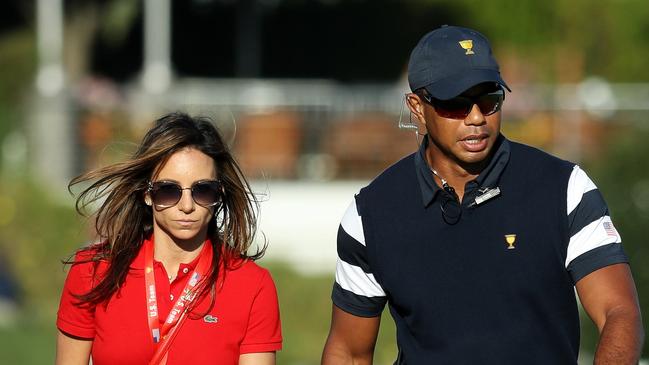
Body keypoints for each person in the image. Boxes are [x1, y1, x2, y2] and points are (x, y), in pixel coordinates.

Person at [322, 25, 644, 364]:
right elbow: (349, 351)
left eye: (489, 100)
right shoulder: (371, 214)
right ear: (417, 107)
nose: (476, 117)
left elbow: (619, 313)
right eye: (456, 103)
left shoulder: (566, 189)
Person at [56, 113, 282, 365]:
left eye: (203, 190)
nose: (187, 205)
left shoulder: (253, 285)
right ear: (147, 194)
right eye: (168, 190)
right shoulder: (92, 270)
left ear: (220, 193)